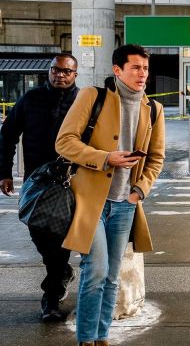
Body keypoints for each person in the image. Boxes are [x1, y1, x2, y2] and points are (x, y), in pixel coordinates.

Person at [55, 44, 165, 346]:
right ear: (118, 70)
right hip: (90, 203)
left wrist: (139, 191)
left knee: (113, 275)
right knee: (97, 270)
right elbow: (64, 142)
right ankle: (86, 338)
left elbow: (156, 158)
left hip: (125, 205)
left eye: (145, 68)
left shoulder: (154, 109)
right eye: (135, 67)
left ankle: (102, 337)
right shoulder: (93, 97)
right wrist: (106, 158)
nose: (142, 74)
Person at [0, 54, 80, 322]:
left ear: (74, 75)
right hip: (36, 181)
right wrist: (5, 172)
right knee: (40, 232)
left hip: (71, 182)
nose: (60, 75)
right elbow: (8, 135)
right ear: (49, 71)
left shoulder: (83, 102)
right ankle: (61, 272)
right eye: (55, 70)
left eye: (66, 72)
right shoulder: (31, 100)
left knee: (59, 236)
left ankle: (52, 296)